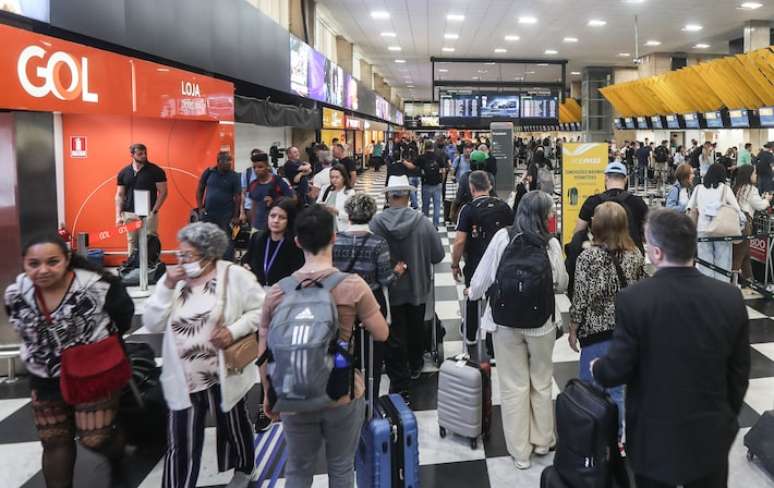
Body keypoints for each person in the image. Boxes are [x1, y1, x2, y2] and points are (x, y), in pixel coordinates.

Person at [591, 208, 750, 488]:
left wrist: (598, 369)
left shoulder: (634, 300)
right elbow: (739, 374)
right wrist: (726, 419)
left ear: (656, 253)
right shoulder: (730, 298)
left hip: (653, 440)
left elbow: (617, 369)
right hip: (710, 437)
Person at [258, 205, 389, 488]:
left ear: (297, 241)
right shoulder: (352, 286)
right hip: (341, 391)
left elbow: (264, 351)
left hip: (292, 392)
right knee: (341, 467)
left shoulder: (278, 292)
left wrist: (268, 394)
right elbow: (382, 333)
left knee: (298, 469)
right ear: (334, 237)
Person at [4, 234, 134, 488]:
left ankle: (118, 453)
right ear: (24, 264)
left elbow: (123, 317)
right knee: (54, 440)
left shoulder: (97, 286)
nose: (43, 270)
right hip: (45, 373)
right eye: (34, 264)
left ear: (67, 260)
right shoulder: (16, 293)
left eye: (53, 262)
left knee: (95, 438)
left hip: (94, 371)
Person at [143, 223, 263, 488]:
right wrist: (166, 287)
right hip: (184, 376)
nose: (181, 261)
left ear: (209, 254)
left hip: (224, 369)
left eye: (188, 255)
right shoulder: (173, 280)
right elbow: (152, 322)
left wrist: (233, 331)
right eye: (180, 254)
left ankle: (245, 466)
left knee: (233, 421)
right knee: (181, 440)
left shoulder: (234, 276)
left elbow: (260, 310)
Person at [468, 191, 568, 470]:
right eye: (550, 212)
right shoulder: (550, 243)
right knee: (542, 380)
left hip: (504, 322)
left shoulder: (503, 236)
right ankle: (543, 440)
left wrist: (472, 292)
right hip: (542, 323)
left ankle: (520, 453)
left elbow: (481, 278)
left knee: (513, 386)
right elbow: (560, 283)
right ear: (543, 215)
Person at [569, 202, 645, 444]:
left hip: (595, 333)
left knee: (590, 389)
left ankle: (593, 439)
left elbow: (580, 297)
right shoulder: (635, 254)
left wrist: (573, 328)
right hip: (626, 332)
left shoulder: (587, 257)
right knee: (618, 390)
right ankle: (618, 439)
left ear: (597, 225)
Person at [370, 175, 444, 395]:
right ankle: (416, 364)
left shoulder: (375, 224)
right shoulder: (422, 222)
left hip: (388, 289)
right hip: (418, 287)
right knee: (415, 327)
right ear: (409, 195)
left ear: (388, 196)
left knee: (394, 332)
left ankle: (398, 372)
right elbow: (438, 255)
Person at [333, 193, 402, 399]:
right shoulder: (377, 243)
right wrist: (398, 270)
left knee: (343, 352)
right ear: (371, 215)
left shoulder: (335, 241)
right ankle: (370, 400)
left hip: (342, 303)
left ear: (349, 214)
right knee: (372, 356)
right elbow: (386, 279)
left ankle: (346, 397)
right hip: (370, 302)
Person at [451, 171, 513, 348]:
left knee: (473, 296)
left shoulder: (468, 209)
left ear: (471, 188)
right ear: (489, 186)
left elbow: (460, 241)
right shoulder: (504, 207)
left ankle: (471, 334)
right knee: (496, 299)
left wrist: (455, 264)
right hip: (501, 262)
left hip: (476, 262)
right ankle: (494, 344)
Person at [574, 161, 649, 252]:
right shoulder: (638, 202)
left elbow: (578, 232)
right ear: (625, 179)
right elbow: (648, 235)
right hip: (632, 255)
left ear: (605, 178)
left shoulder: (592, 202)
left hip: (599, 257)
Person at [686, 163, 742, 282]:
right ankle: (721, 290)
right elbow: (736, 208)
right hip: (721, 229)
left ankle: (707, 289)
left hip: (702, 229)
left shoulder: (698, 188)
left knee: (704, 263)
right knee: (722, 263)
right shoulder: (725, 189)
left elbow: (690, 207)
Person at [115, 143, 168, 255]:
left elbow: (163, 192)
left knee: (150, 241)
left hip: (148, 213)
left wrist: (154, 211)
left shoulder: (156, 171)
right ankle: (132, 267)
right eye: (140, 154)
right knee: (132, 241)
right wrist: (118, 216)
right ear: (132, 155)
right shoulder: (123, 172)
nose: (143, 156)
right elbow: (119, 195)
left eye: (145, 153)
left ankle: (151, 267)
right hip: (129, 213)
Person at [243, 198, 304, 288]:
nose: (276, 220)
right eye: (272, 216)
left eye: (282, 217)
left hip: (282, 294)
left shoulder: (295, 244)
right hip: (257, 291)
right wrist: (245, 265)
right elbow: (247, 259)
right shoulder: (258, 237)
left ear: (290, 220)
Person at [196, 151, 242, 261]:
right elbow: (200, 190)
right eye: (227, 160)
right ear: (219, 161)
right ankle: (207, 262)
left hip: (226, 214)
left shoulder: (234, 176)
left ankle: (227, 263)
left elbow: (238, 196)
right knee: (207, 238)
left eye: (230, 160)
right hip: (208, 213)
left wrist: (236, 216)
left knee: (226, 240)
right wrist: (200, 208)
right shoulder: (209, 172)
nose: (230, 163)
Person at [733, 165, 772, 281]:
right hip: (745, 224)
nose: (756, 175)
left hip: (735, 222)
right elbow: (759, 205)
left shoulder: (737, 188)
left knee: (745, 254)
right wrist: (767, 200)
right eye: (754, 173)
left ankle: (750, 280)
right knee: (740, 254)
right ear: (748, 175)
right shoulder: (751, 189)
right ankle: (733, 283)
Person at [247, 154, 295, 231]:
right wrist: (253, 223)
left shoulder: (278, 181)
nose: (257, 170)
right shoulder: (253, 184)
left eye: (260, 167)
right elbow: (254, 204)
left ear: (267, 166)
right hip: (257, 227)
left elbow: (292, 200)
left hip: (276, 226)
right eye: (254, 168)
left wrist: (275, 201)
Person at [316, 164, 356, 232]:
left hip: (342, 229)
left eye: (337, 177)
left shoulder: (350, 193)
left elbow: (352, 216)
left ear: (343, 177)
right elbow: (318, 204)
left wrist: (337, 212)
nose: (334, 180)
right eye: (332, 177)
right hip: (326, 228)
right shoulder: (326, 189)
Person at [417, 141, 447, 227]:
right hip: (437, 184)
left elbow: (413, 166)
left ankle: (426, 225)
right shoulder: (438, 157)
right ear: (433, 147)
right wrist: (442, 181)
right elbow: (443, 170)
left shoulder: (421, 157)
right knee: (437, 206)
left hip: (426, 184)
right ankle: (435, 225)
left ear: (425, 147)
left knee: (425, 206)